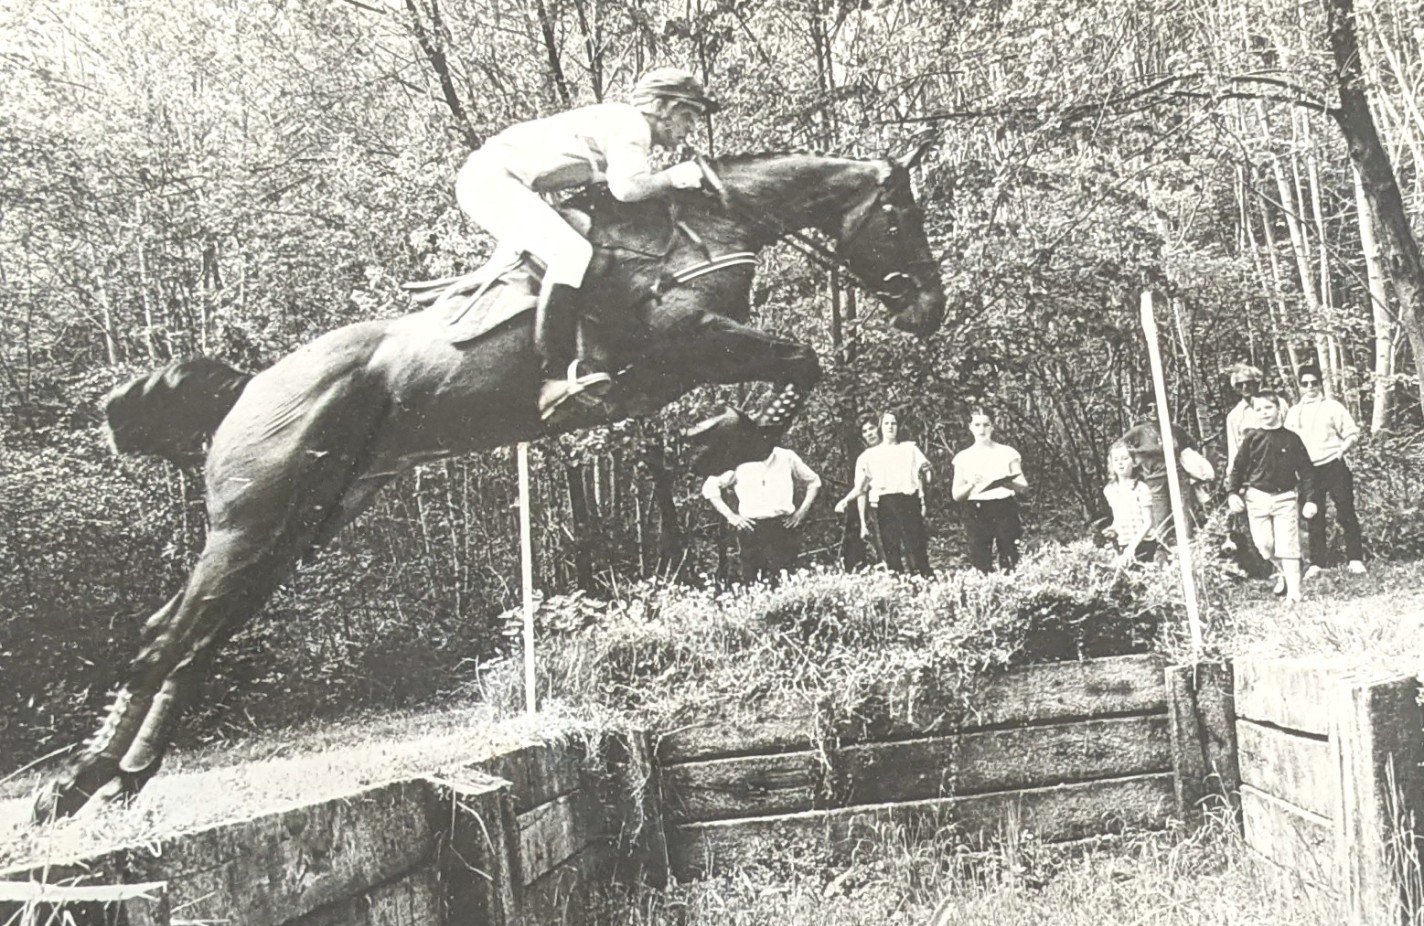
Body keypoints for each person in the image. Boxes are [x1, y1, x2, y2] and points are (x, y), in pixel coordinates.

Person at [455, 67, 718, 422]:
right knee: (572, 252)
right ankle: (553, 377)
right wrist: (673, 176)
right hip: (492, 181)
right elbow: (627, 189)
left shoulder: (620, 124)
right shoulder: (633, 126)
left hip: (501, 179)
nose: (691, 127)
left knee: (578, 243)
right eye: (687, 115)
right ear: (660, 107)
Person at [1227, 392, 1318, 603]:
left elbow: (1306, 472)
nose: (1264, 413)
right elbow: (1238, 468)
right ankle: (1284, 571)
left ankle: (1294, 592)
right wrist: (1232, 493)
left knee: (1288, 546)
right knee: (1265, 546)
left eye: (1268, 407)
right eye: (1258, 409)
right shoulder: (1252, 438)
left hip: (1285, 498)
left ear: (1278, 409)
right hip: (1257, 498)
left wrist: (1310, 499)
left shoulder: (1292, 439)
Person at [1285, 364, 1365, 577]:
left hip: (1333, 465)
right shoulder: (1294, 413)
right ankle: (1317, 563)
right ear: (1299, 386)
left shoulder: (1332, 407)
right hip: (1308, 471)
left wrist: (1341, 451)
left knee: (1346, 511)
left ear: (1320, 383)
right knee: (1313, 515)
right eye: (1305, 383)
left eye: (1314, 382)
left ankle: (1355, 559)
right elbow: (1288, 443)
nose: (1310, 387)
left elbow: (1351, 433)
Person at [702, 445, 821, 586]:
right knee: (753, 583)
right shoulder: (738, 460)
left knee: (786, 580)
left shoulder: (786, 456)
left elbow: (814, 481)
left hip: (782, 527)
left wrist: (801, 513)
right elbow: (709, 487)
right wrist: (731, 516)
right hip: (752, 529)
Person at [836, 410, 933, 576]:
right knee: (891, 549)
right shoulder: (869, 456)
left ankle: (924, 581)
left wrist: (925, 484)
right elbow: (861, 488)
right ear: (881, 427)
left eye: (893, 423)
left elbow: (925, 475)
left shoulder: (909, 449)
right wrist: (845, 500)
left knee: (916, 548)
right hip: (885, 504)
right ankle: (897, 583)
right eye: (886, 423)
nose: (890, 427)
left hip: (909, 502)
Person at [1117, 394, 1210, 545]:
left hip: (1179, 476)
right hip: (1154, 480)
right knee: (1160, 517)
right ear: (1144, 411)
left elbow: (1191, 445)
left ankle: (1188, 545)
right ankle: (1165, 549)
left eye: (1157, 407)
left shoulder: (1175, 429)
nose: (1154, 411)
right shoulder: (1138, 432)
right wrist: (1137, 461)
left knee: (1184, 512)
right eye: (1149, 408)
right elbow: (1119, 448)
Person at [951, 408, 1027, 573]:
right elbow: (956, 495)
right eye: (977, 425)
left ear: (992, 427)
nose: (982, 429)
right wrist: (971, 484)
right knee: (980, 558)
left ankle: (1010, 585)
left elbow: (1023, 486)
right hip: (976, 510)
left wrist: (1006, 483)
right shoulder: (963, 457)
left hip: (1004, 507)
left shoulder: (1007, 453)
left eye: (986, 425)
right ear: (970, 427)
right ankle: (985, 586)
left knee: (1009, 554)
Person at [834, 415, 883, 570]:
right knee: (884, 549)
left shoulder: (894, 449)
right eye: (865, 431)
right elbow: (861, 490)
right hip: (879, 507)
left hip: (901, 502)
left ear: (879, 429)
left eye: (872, 428)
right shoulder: (864, 458)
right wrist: (863, 522)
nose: (869, 434)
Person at [1103, 441, 1158, 565]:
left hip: (1145, 543)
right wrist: (1113, 529)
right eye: (1116, 460)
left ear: (1134, 462)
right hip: (1124, 543)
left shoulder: (1141, 488)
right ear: (1111, 464)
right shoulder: (1109, 490)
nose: (1120, 463)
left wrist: (1132, 547)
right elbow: (1118, 517)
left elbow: (1148, 522)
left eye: (1124, 458)